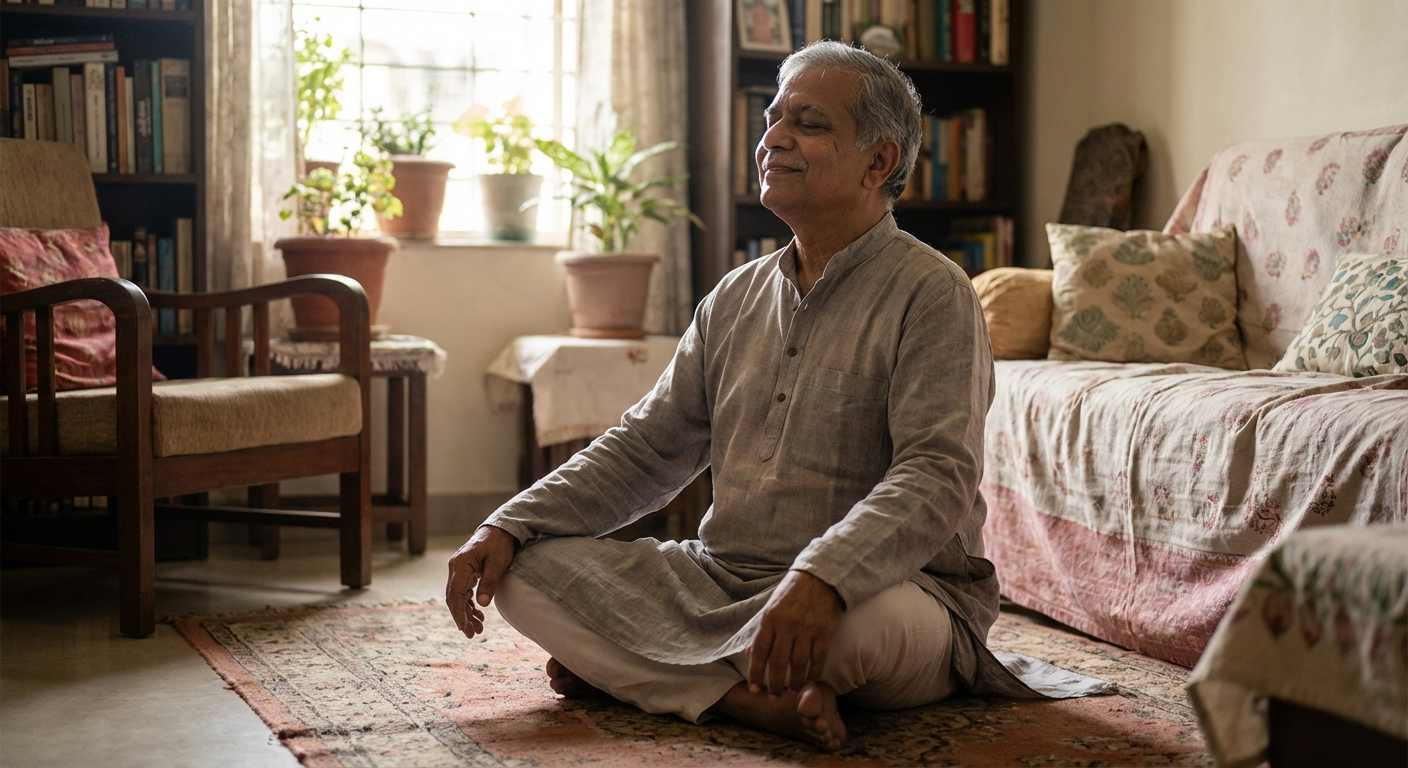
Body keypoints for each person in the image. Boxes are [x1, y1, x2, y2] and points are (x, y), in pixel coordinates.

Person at [447, 41, 1085, 752]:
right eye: (773, 119)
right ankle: (746, 701)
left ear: (879, 161)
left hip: (891, 594)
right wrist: (507, 524)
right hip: (723, 580)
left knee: (846, 639)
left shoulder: (933, 293)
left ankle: (642, 668)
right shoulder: (735, 296)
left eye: (808, 124)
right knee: (524, 573)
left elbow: (935, 475)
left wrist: (825, 576)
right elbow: (646, 448)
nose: (774, 138)